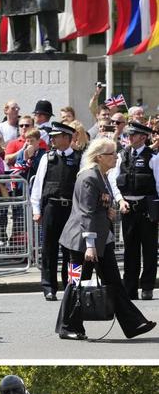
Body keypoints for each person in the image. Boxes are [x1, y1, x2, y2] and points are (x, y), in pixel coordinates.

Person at [56, 137, 155, 340]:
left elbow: (97, 205)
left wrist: (108, 210)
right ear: (100, 157)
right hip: (81, 243)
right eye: (112, 153)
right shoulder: (88, 178)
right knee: (76, 283)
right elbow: (86, 213)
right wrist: (90, 246)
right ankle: (68, 326)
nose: (116, 157)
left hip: (102, 240)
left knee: (114, 283)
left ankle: (134, 323)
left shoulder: (102, 175)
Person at [30, 120, 80, 301]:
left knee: (71, 251)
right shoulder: (47, 158)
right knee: (49, 250)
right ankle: (49, 287)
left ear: (67, 138)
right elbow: (38, 185)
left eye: (56, 137)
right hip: (51, 207)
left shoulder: (79, 158)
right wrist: (37, 209)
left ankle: (71, 285)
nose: (52, 140)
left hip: (71, 210)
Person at [112, 120, 159, 300]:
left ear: (143, 137)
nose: (129, 137)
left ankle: (147, 286)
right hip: (128, 209)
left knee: (149, 250)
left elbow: (158, 184)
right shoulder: (121, 156)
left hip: (147, 209)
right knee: (130, 251)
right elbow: (114, 182)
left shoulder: (153, 157)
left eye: (133, 134)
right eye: (128, 134)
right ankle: (129, 288)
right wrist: (120, 200)